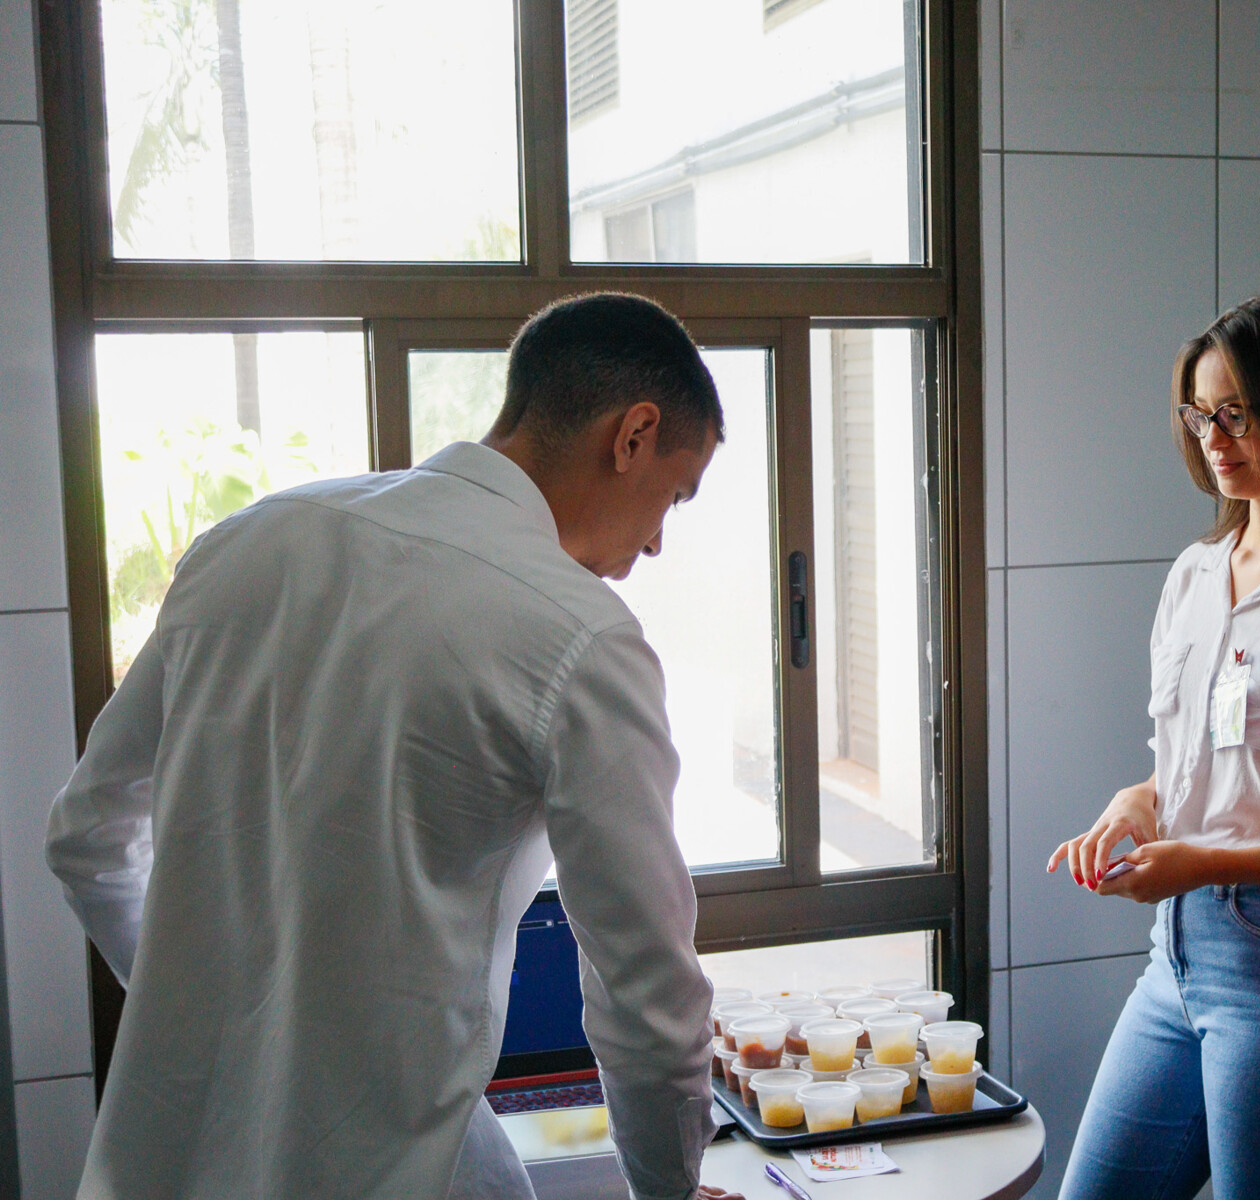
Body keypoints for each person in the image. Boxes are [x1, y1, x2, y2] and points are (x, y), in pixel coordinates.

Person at [46, 292, 747, 1200]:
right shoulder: (580, 637)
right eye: (673, 497)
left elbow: (86, 836)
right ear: (634, 435)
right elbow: (646, 992)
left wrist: (224, 1022)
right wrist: (670, 1189)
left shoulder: (246, 543)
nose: (655, 542)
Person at [1046, 294, 1260, 1200]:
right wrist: (1137, 803)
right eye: (1199, 417)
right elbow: (1197, 766)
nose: (1214, 439)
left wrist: (1200, 862)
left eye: (1236, 414)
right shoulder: (1197, 573)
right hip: (1176, 956)